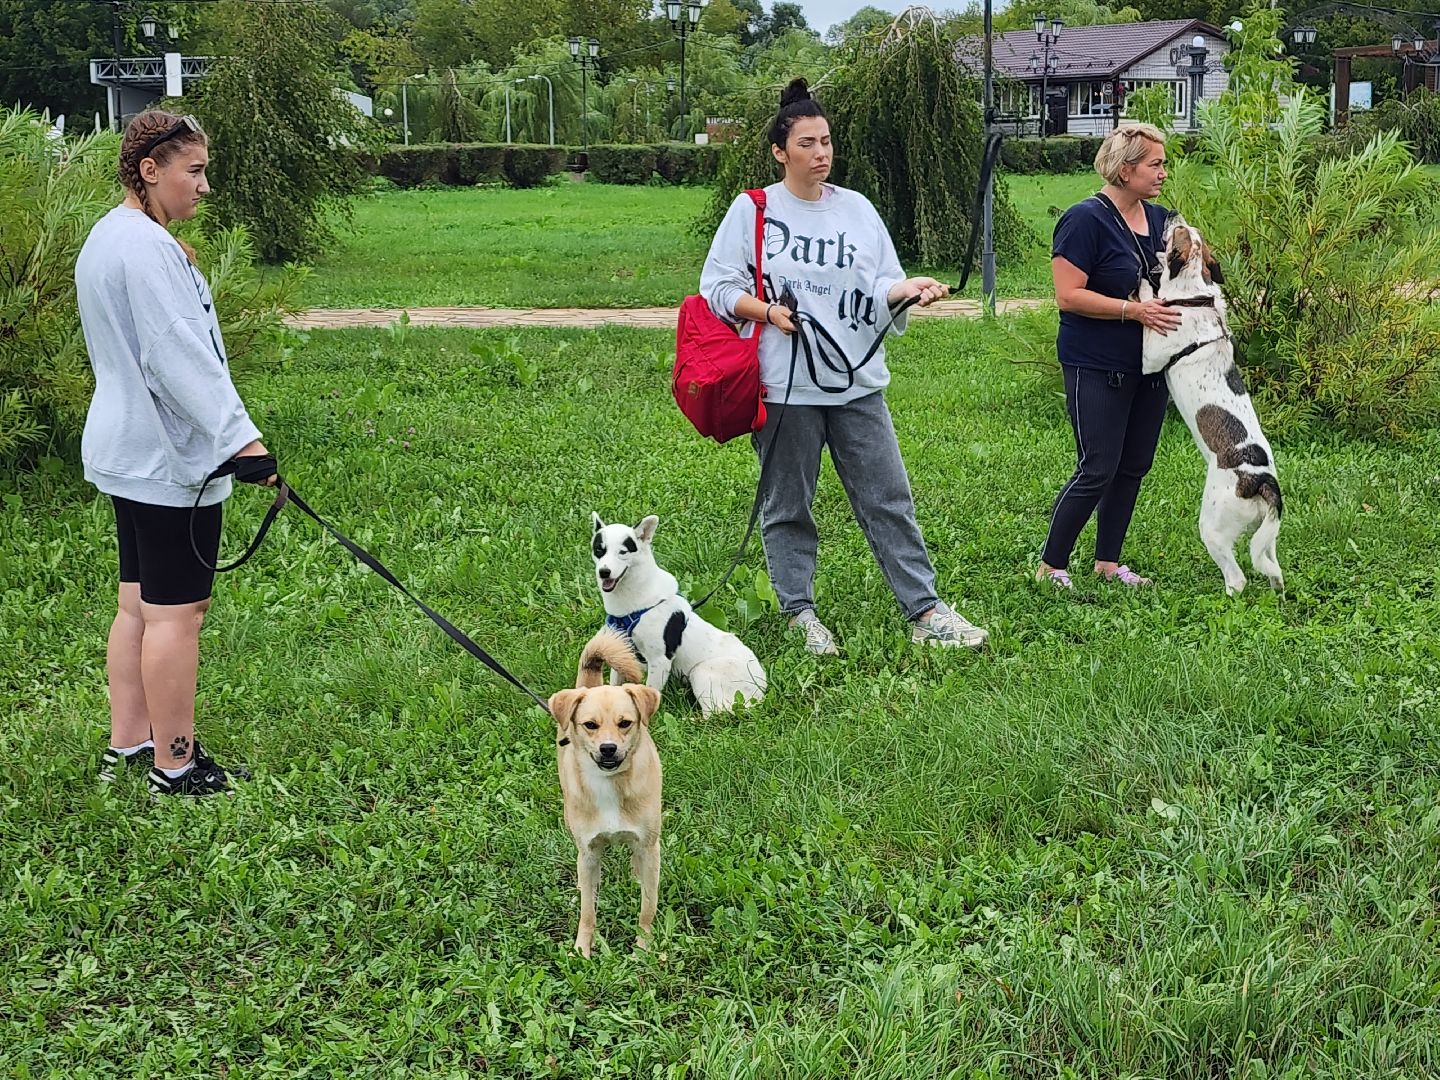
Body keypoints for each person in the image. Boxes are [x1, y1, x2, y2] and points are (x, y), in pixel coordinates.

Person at [699, 78, 988, 654]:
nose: (821, 153)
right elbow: (717, 287)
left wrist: (908, 289)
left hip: (857, 383)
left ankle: (925, 611)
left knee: (888, 498)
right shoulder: (754, 209)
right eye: (807, 143)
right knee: (788, 505)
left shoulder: (856, 209)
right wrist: (766, 311)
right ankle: (799, 615)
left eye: (826, 141)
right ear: (781, 152)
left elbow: (880, 282)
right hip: (786, 387)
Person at [78, 110, 274, 797]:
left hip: (126, 454)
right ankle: (177, 764)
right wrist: (242, 443)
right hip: (166, 467)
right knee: (176, 615)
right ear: (149, 170)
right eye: (193, 170)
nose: (205, 185)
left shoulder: (112, 236)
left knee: (138, 604)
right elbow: (175, 357)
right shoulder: (146, 250)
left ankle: (130, 742)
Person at [1037, 122, 1182, 590]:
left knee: (1134, 464)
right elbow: (1068, 295)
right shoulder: (1084, 220)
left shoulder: (1163, 221)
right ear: (1125, 170)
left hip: (1151, 364)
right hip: (1095, 362)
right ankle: (1051, 564)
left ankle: (1107, 562)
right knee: (1098, 465)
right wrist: (1133, 310)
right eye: (1154, 164)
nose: (1163, 173)